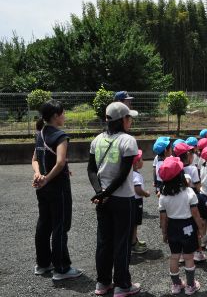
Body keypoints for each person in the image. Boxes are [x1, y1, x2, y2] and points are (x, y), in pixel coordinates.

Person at [87, 101, 141, 296]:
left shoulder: (97, 140)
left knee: (104, 241)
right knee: (122, 242)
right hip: (122, 198)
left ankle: (102, 283)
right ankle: (122, 285)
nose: (131, 121)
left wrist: (100, 192)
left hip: (103, 199)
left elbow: (91, 169)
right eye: (129, 117)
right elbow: (124, 172)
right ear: (122, 120)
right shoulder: (128, 141)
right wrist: (106, 193)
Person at [31, 100, 82, 280]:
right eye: (63, 113)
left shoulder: (40, 133)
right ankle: (61, 268)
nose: (64, 116)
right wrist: (47, 179)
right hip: (57, 187)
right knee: (60, 225)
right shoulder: (60, 136)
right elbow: (60, 163)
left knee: (44, 223)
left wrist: (39, 175)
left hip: (42, 188)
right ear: (55, 116)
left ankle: (43, 264)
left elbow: (35, 159)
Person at [158, 156, 204, 295]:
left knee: (174, 256)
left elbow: (163, 218)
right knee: (189, 257)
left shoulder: (163, 195)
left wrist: (164, 233)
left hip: (172, 227)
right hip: (188, 226)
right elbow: (195, 213)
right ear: (180, 176)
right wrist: (200, 227)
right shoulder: (189, 192)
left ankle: (176, 285)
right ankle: (190, 286)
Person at [132, 150, 150, 254]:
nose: (143, 161)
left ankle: (134, 240)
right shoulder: (136, 175)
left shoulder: (131, 173)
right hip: (136, 201)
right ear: (136, 163)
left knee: (132, 222)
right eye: (141, 159)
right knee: (135, 223)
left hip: (131, 200)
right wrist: (146, 193)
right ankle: (133, 243)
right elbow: (137, 189)